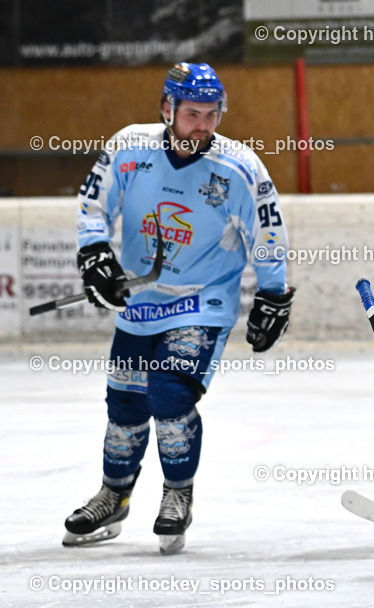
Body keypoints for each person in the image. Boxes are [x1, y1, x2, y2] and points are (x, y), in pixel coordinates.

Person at [61, 62, 294, 554]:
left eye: (212, 115)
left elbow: (267, 230)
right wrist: (93, 250)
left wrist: (273, 292)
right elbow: (92, 204)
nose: (203, 125)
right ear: (166, 109)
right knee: (124, 404)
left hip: (202, 303)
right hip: (140, 301)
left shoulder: (239, 166)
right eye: (192, 114)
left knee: (169, 393)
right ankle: (114, 496)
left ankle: (176, 495)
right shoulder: (129, 148)